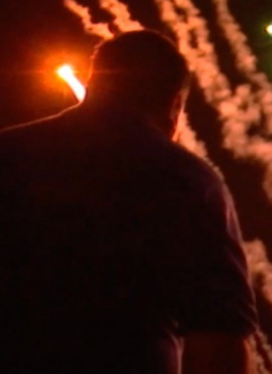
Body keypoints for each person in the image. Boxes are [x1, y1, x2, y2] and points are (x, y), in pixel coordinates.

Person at [0, 30, 258, 374]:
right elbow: (219, 341)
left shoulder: (9, 153)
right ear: (174, 105)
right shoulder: (189, 181)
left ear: (93, 85)